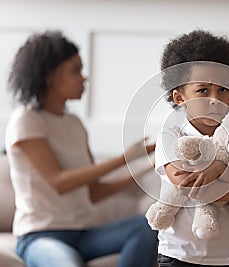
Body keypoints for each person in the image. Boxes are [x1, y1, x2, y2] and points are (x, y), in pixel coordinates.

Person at [5, 31, 158, 267]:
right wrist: (125, 158)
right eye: (75, 70)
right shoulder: (26, 120)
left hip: (84, 233)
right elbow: (60, 182)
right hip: (40, 235)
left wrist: (147, 166)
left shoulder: (75, 124)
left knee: (148, 227)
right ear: (49, 76)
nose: (84, 78)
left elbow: (94, 192)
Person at [153, 29, 229, 267]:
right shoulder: (172, 136)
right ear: (180, 97)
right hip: (179, 254)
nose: (215, 99)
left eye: (223, 90)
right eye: (202, 90)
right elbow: (187, 184)